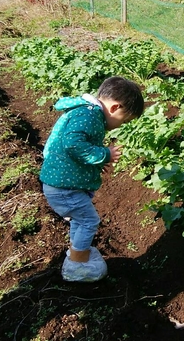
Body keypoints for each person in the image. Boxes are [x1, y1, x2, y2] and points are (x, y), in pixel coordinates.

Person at [40, 76, 144, 282]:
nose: (120, 125)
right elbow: (73, 144)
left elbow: (72, 150)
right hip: (63, 188)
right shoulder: (88, 116)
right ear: (115, 107)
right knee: (89, 220)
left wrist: (95, 163)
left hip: (61, 184)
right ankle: (76, 267)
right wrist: (103, 155)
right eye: (124, 120)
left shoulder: (86, 113)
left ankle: (77, 253)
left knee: (80, 219)